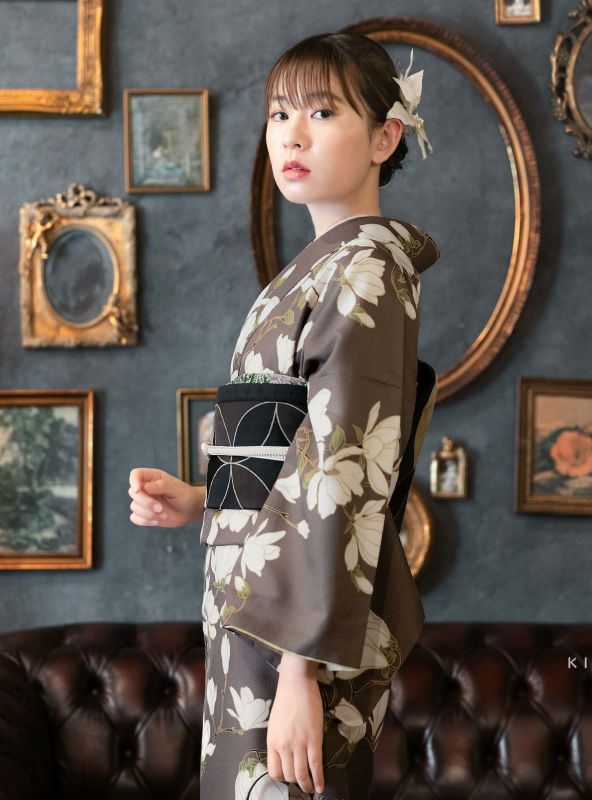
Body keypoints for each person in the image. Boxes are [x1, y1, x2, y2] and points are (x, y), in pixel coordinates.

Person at [128, 32, 439, 800]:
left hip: (299, 635)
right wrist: (203, 499)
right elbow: (290, 450)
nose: (292, 135)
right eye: (279, 114)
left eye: (322, 113)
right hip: (253, 609)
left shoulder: (367, 267)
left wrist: (302, 671)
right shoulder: (308, 274)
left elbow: (344, 466)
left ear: (384, 138)